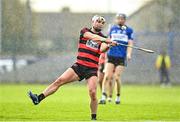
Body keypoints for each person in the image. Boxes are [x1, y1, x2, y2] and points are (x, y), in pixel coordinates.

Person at [28, 15, 117, 120]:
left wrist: (109, 45)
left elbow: (102, 49)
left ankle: (93, 118)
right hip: (79, 66)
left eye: (102, 22)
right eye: (98, 21)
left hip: (91, 69)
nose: (100, 23)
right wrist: (106, 40)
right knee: (59, 81)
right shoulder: (85, 31)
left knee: (93, 92)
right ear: (92, 22)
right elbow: (92, 37)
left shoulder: (103, 39)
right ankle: (38, 98)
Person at [99, 13, 134, 104]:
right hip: (111, 56)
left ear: (125, 20)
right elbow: (107, 41)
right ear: (116, 20)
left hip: (121, 57)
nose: (120, 20)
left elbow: (130, 43)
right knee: (107, 76)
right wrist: (109, 44)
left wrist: (129, 54)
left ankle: (118, 96)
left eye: (122, 19)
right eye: (118, 19)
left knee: (117, 77)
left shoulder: (129, 30)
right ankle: (103, 96)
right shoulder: (112, 29)